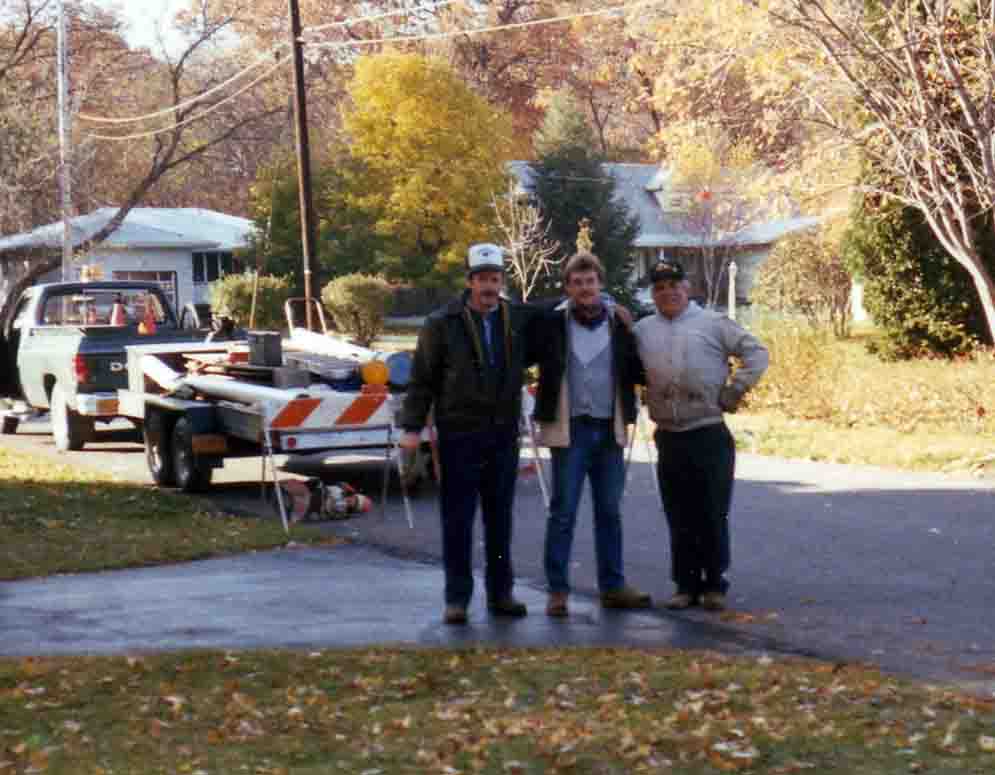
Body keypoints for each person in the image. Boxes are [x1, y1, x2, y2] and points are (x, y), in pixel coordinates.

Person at [398, 243, 539, 625]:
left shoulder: (516, 318)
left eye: (495, 279)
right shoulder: (441, 323)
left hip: (502, 435)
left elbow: (560, 309)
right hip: (459, 435)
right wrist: (411, 428)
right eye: (482, 279)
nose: (489, 287)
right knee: (458, 519)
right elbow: (422, 379)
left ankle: (501, 594)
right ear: (469, 281)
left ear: (502, 281)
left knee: (500, 519)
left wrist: (608, 304)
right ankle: (457, 598)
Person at [633, 259, 769, 612]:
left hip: (708, 432)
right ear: (653, 294)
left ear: (687, 287)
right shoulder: (643, 330)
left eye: (674, 286)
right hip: (669, 435)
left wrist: (736, 389)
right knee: (678, 514)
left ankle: (714, 585)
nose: (668, 293)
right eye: (660, 288)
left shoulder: (713, 323)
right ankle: (685, 585)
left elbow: (757, 353)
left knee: (711, 511)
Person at [531, 252, 651, 617]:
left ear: (601, 284)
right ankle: (557, 591)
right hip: (571, 429)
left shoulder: (618, 324)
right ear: (568, 288)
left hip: (609, 428)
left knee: (609, 511)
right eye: (577, 283)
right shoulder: (553, 323)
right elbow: (529, 317)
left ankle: (613, 587)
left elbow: (638, 369)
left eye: (591, 281)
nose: (585, 288)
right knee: (563, 512)